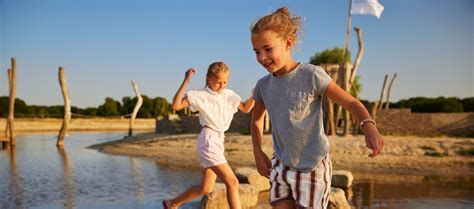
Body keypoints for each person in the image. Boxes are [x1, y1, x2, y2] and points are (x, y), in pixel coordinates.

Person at [250, 7, 384, 209]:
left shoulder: (312, 75)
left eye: (267, 49)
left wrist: (369, 126)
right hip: (281, 164)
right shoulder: (263, 86)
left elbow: (351, 103)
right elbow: (256, 121)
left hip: (312, 167)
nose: (261, 57)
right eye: (257, 52)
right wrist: (257, 151)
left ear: (288, 43)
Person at [164, 61, 255, 209]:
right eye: (218, 82)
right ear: (208, 79)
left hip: (219, 141)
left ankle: (172, 203)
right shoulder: (199, 95)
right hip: (208, 141)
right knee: (232, 182)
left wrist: (254, 95)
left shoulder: (229, 95)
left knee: (205, 188)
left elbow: (245, 108)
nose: (222, 85)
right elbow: (176, 105)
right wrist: (186, 80)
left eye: (225, 82)